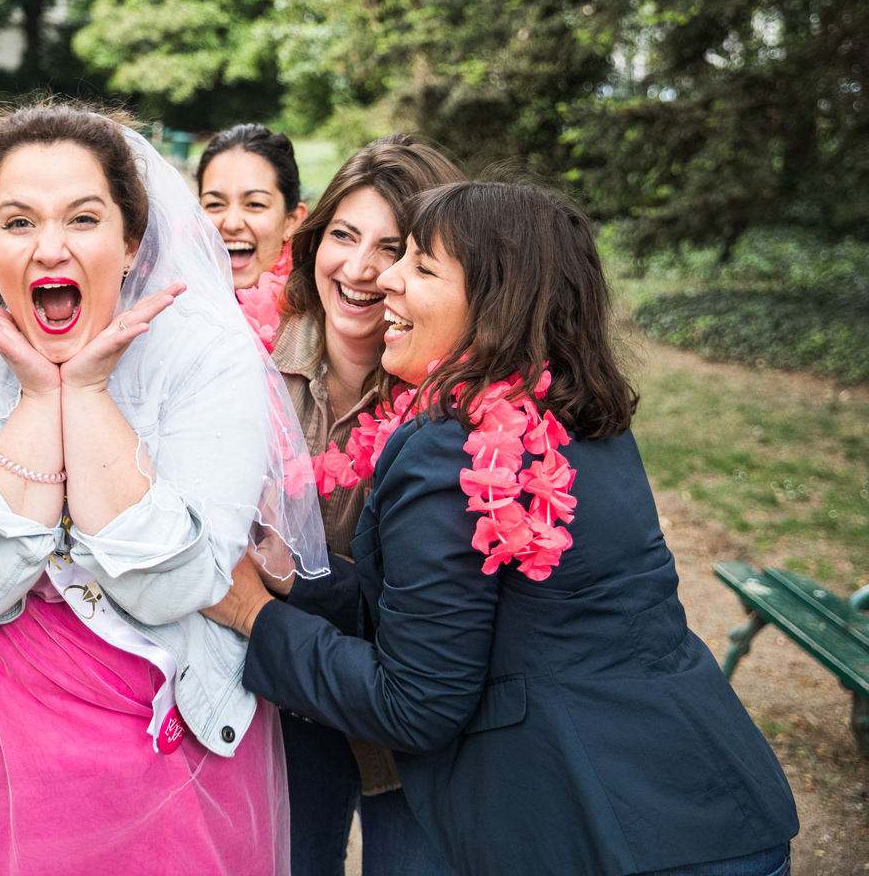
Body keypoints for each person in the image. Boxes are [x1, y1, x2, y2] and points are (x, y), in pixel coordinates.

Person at [205, 181, 800, 876]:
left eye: (422, 267)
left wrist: (253, 614)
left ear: (496, 308)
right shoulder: (576, 416)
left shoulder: (446, 451)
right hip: (709, 802)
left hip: (612, 837)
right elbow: (467, 617)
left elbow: (415, 703)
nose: (386, 278)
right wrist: (299, 579)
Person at [0, 105, 329, 876]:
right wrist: (36, 401)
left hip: (173, 727)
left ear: (130, 241)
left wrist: (86, 399)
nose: (50, 246)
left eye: (82, 219)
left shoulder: (206, 352)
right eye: (18, 222)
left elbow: (179, 586)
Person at [267, 135, 462, 875]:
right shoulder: (250, 361)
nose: (358, 269)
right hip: (293, 700)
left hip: (419, 725)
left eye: (392, 247)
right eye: (343, 236)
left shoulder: (460, 404)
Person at [196, 125, 309, 350]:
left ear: (292, 220)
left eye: (255, 204)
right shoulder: (162, 305)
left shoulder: (318, 323)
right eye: (215, 204)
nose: (232, 223)